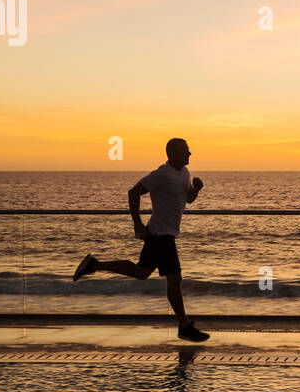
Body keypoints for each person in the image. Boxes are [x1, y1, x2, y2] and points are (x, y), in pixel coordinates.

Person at [72, 137, 209, 342]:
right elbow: (133, 192)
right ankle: (184, 326)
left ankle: (95, 265)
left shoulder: (184, 173)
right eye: (186, 150)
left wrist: (196, 189)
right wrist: (137, 223)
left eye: (189, 150)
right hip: (161, 235)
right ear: (173, 153)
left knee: (142, 272)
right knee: (174, 279)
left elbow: (187, 198)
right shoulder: (162, 174)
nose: (190, 154)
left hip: (163, 234)